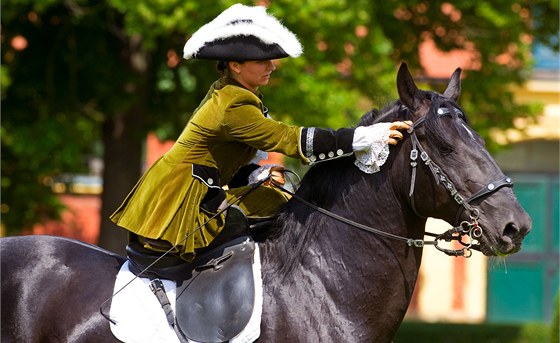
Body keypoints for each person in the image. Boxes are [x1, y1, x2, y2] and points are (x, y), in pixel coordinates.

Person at [110, 3, 411, 262]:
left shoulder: (232, 91)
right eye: (262, 61)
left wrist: (255, 175)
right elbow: (289, 139)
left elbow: (221, 159)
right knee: (283, 207)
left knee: (273, 196)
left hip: (194, 190)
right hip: (179, 202)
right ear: (235, 65)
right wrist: (364, 137)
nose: (273, 67)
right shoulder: (233, 102)